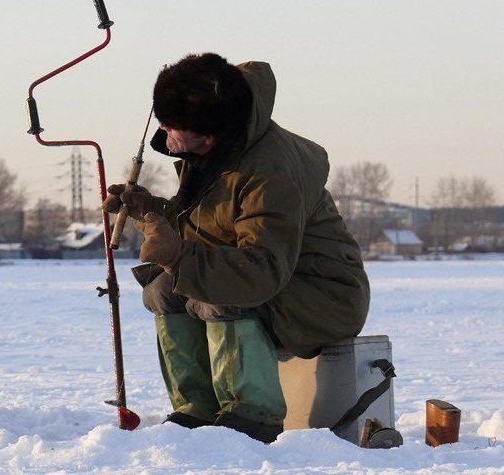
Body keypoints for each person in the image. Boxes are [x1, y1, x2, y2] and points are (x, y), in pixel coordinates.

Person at [102, 53, 370, 443]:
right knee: (163, 290)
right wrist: (151, 209)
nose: (164, 133)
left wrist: (178, 255)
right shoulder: (220, 147)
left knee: (215, 295)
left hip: (323, 295)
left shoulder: (270, 171)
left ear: (209, 135)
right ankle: (198, 408)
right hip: (278, 285)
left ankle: (252, 414)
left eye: (173, 127)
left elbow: (258, 271)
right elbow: (214, 225)